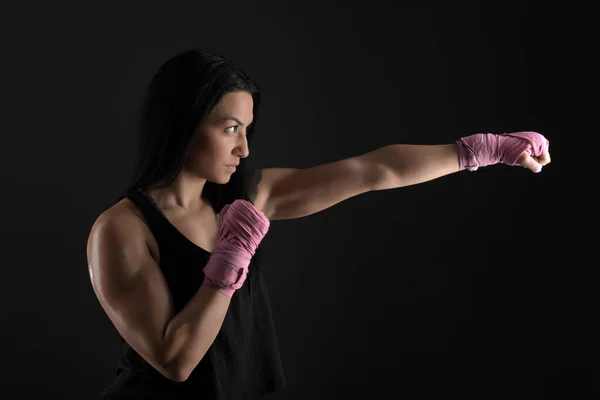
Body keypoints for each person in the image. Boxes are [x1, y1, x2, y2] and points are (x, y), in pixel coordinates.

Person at [86, 48, 551, 399]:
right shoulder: (122, 229)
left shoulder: (250, 194)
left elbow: (373, 171)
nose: (244, 149)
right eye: (230, 128)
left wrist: (487, 149)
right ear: (183, 123)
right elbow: (176, 360)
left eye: (248, 130)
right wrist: (230, 258)